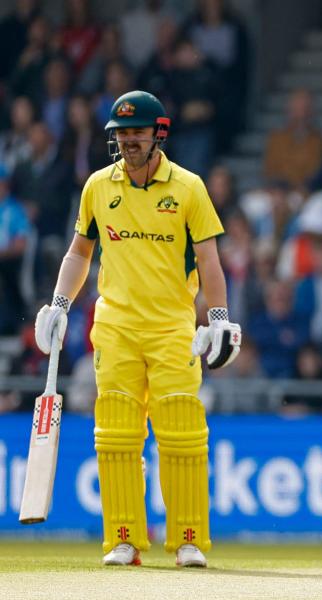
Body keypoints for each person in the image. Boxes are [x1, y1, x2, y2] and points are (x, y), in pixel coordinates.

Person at [32, 90, 240, 569]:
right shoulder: (97, 187)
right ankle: (123, 538)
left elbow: (209, 260)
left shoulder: (188, 188)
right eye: (120, 133)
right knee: (116, 433)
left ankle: (188, 539)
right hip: (116, 327)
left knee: (182, 432)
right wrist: (59, 304)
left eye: (136, 132)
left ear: (157, 134)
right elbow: (79, 252)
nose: (127, 140)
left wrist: (220, 318)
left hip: (171, 328)